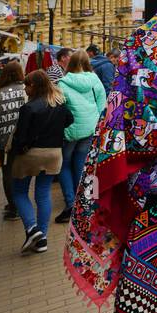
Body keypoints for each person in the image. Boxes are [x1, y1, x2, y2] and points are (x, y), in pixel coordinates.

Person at [11, 71, 73, 254]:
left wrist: (17, 148)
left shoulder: (28, 108)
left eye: (27, 85)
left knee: (20, 192)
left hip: (31, 155)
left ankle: (32, 229)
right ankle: (42, 239)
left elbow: (21, 137)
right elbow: (70, 119)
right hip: (54, 154)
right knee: (43, 193)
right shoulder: (58, 103)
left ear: (34, 86)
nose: (25, 88)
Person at [54, 50, 106, 224]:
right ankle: (86, 202)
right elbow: (102, 104)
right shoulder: (94, 79)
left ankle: (70, 204)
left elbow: (60, 108)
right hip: (90, 127)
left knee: (64, 165)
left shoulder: (62, 82)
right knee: (83, 164)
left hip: (70, 131)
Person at [0, 59, 27, 220]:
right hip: (24, 139)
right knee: (23, 171)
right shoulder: (26, 89)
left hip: (4, 141)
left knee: (8, 174)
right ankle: (23, 201)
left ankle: (13, 207)